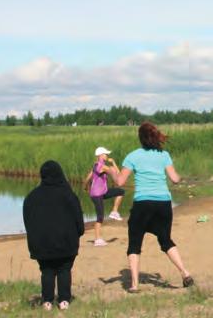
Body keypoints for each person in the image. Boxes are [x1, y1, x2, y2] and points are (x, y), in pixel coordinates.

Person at [114, 122, 194, 292]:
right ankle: (185, 273)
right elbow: (175, 179)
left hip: (143, 202)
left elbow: (120, 181)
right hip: (163, 203)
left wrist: (109, 170)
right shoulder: (163, 155)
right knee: (165, 240)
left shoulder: (132, 156)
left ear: (141, 139)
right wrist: (179, 177)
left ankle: (134, 285)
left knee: (134, 244)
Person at [23, 161, 85, 311]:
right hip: (66, 242)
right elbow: (79, 220)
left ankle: (47, 301)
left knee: (47, 270)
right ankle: (64, 300)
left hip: (41, 243)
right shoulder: (69, 194)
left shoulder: (32, 197)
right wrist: (78, 233)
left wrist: (34, 237)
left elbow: (28, 221)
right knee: (64, 269)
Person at [83, 146, 125, 247]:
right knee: (100, 217)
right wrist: (113, 163)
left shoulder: (96, 165)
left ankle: (114, 211)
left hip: (102, 192)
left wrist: (86, 188)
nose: (107, 155)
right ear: (101, 155)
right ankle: (97, 240)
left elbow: (88, 178)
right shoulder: (102, 167)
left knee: (120, 192)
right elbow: (118, 174)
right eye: (106, 154)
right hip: (97, 195)